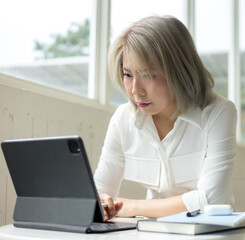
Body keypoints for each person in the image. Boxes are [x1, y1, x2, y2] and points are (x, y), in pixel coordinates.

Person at [94, 15, 237, 220]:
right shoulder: (123, 119)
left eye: (148, 75)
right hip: (154, 231)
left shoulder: (219, 113)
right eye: (128, 75)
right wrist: (103, 201)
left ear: (180, 70)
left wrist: (132, 207)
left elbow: (209, 200)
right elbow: (99, 190)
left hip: (210, 231)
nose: (136, 91)